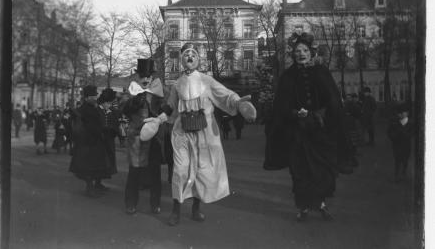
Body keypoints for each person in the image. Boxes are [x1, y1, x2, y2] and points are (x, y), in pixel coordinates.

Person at [141, 43, 256, 226]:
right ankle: (176, 211)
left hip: (204, 132)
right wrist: (158, 120)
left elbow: (224, 95)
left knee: (202, 170)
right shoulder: (177, 84)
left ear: (198, 59)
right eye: (186, 54)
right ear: (182, 60)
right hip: (182, 133)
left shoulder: (206, 80)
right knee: (179, 171)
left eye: (193, 54)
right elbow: (170, 106)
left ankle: (196, 209)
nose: (190, 57)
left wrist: (238, 103)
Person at [264, 32, 353, 222]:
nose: (301, 54)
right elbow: (280, 105)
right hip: (298, 132)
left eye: (304, 50)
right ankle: (303, 207)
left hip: (320, 132)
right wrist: (295, 113)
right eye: (297, 51)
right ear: (292, 54)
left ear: (311, 52)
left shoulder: (321, 72)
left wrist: (318, 115)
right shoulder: (288, 76)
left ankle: (320, 204)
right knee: (300, 170)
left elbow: (333, 101)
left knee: (321, 170)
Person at [122, 59, 167, 215]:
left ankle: (155, 204)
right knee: (134, 172)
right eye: (142, 76)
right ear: (137, 76)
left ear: (152, 77)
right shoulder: (131, 91)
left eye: (148, 76)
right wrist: (135, 101)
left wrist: (160, 107)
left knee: (155, 173)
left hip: (154, 138)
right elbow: (123, 108)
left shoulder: (159, 92)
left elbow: (166, 110)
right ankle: (130, 203)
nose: (146, 79)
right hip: (136, 139)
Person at [69, 85, 115, 198]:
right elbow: (91, 126)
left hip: (94, 141)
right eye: (93, 96)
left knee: (97, 164)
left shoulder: (89, 107)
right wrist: (103, 130)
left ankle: (97, 185)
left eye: (95, 95)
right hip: (89, 142)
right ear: (87, 97)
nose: (95, 97)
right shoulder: (86, 109)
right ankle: (89, 188)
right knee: (89, 166)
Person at [97, 88, 120, 189]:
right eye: (107, 103)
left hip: (109, 140)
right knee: (98, 162)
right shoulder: (97, 111)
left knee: (107, 162)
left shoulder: (112, 112)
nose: (109, 105)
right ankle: (96, 182)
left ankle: (99, 182)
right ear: (103, 102)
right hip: (98, 141)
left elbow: (116, 124)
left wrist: (113, 130)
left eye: (110, 103)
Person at [387, 103, 412, 182]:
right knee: (397, 159)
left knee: (405, 159)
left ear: (407, 113)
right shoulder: (394, 122)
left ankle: (403, 172)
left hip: (406, 144)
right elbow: (389, 132)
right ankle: (397, 174)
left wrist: (406, 134)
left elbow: (412, 133)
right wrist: (393, 136)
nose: (400, 114)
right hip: (396, 144)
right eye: (399, 113)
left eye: (403, 112)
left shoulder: (410, 123)